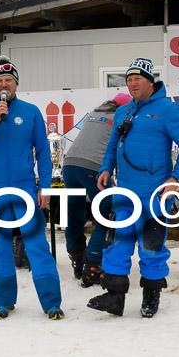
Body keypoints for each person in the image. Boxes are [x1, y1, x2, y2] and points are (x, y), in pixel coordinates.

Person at [88, 58, 179, 318]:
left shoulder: (167, 110)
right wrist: (106, 168)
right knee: (117, 244)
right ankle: (114, 297)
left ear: (151, 81)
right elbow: (113, 145)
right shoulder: (122, 111)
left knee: (151, 247)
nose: (132, 83)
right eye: (128, 79)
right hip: (125, 194)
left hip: (154, 196)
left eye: (138, 78)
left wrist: (175, 179)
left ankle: (151, 294)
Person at [0, 55, 64, 320]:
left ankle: (51, 302)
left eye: (8, 80)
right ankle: (3, 301)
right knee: (0, 247)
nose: (4, 84)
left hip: (25, 188)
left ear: (16, 83)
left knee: (36, 245)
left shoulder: (31, 112)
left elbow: (43, 151)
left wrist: (44, 186)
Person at [62, 93, 132, 287]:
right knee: (105, 215)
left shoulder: (95, 113)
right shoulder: (122, 118)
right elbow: (119, 149)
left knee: (75, 214)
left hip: (69, 165)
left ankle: (77, 260)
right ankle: (92, 266)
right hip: (93, 168)